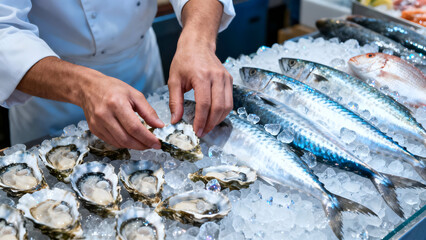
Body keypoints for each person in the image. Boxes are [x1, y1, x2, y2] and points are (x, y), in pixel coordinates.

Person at [0, 0, 235, 149]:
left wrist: (198, 41)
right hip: (51, 91)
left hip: (140, 64)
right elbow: (4, 32)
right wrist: (83, 87)